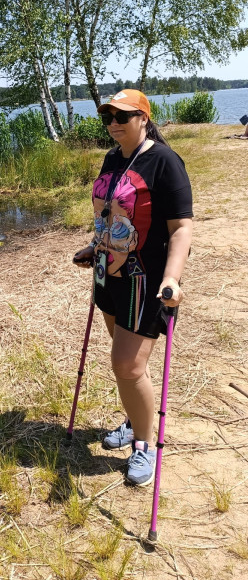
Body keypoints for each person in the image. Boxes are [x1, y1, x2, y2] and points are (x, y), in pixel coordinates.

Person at [73, 89, 193, 487]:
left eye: (122, 116)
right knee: (125, 367)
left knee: (128, 364)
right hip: (109, 275)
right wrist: (95, 247)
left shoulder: (165, 162)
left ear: (144, 118)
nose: (113, 124)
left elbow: (181, 230)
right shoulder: (112, 158)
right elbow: (112, 216)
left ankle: (144, 444)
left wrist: (172, 278)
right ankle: (134, 418)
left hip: (146, 282)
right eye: (108, 117)